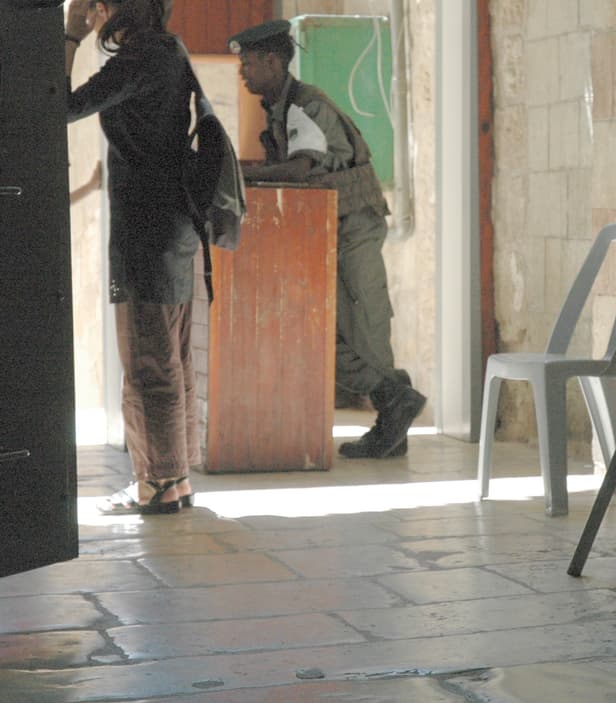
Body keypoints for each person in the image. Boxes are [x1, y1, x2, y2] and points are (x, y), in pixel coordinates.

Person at [229, 19, 426, 460]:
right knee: (344, 327)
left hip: (353, 223)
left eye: (248, 63)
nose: (242, 72)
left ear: (272, 61)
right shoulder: (282, 106)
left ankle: (393, 405)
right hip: (333, 226)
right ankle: (395, 416)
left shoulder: (305, 104)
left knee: (362, 325)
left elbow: (300, 169)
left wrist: (241, 173)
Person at [65, 0, 198, 513]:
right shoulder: (170, 51)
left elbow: (57, 104)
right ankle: (176, 480)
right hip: (174, 225)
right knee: (172, 360)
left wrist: (71, 35)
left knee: (147, 363)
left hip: (145, 229)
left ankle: (157, 484)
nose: (94, 11)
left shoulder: (139, 59)